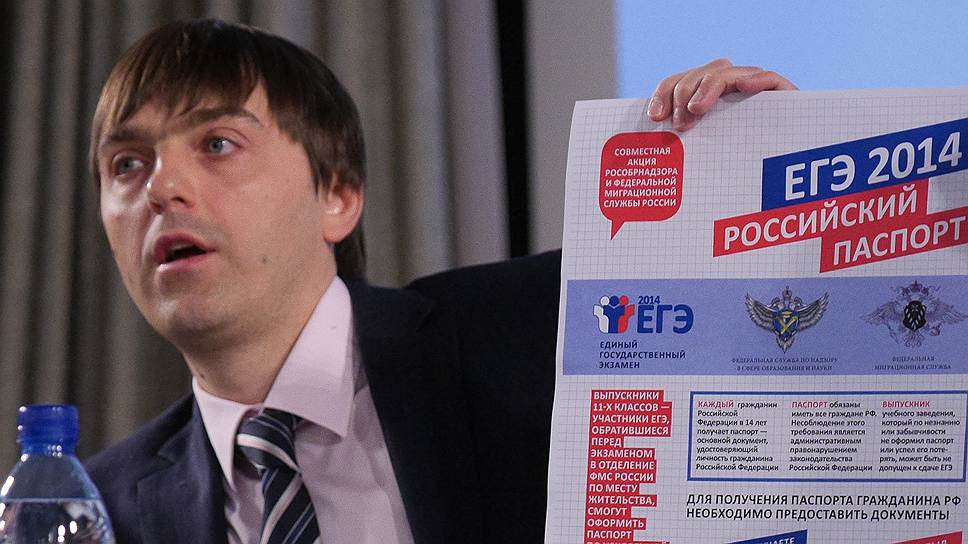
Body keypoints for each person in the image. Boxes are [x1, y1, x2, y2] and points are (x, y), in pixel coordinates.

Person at [84, 19, 794, 544]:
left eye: (217, 144)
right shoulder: (101, 509)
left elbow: (760, 332)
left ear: (338, 197)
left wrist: (766, 161)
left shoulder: (531, 330)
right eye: (126, 164)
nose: (162, 188)